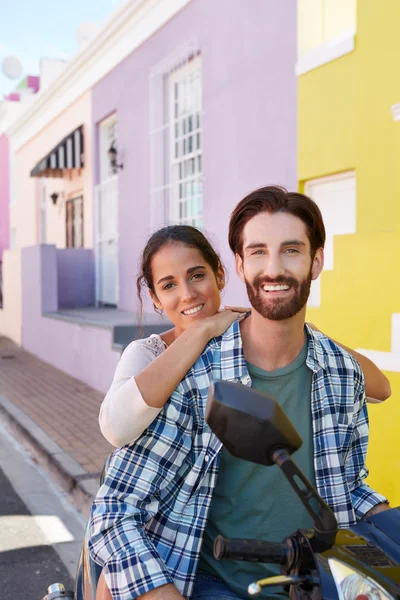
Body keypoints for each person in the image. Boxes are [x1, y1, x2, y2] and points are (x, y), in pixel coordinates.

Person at [88, 187, 391, 600]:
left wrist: (388, 528)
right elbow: (115, 512)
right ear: (240, 264)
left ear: (316, 261)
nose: (274, 268)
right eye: (258, 252)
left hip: (319, 582)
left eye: (291, 250)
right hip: (212, 583)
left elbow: (347, 485)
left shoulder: (340, 372)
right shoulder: (188, 373)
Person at [99, 228, 390, 448]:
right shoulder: (147, 354)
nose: (187, 294)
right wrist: (201, 332)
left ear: (220, 276)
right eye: (169, 285)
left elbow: (379, 388)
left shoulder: (252, 336)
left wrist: (298, 332)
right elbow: (115, 429)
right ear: (156, 298)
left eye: (197, 276)